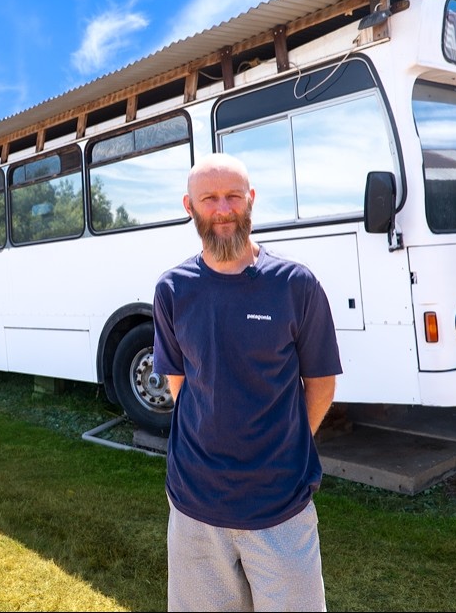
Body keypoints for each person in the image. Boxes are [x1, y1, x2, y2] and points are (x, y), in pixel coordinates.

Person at [152, 152, 341, 612]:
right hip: (195, 509)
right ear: (189, 206)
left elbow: (321, 382)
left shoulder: (296, 285)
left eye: (233, 196)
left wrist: (287, 443)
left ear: (251, 199)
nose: (222, 209)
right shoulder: (173, 290)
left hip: (280, 509)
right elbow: (181, 383)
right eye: (210, 198)